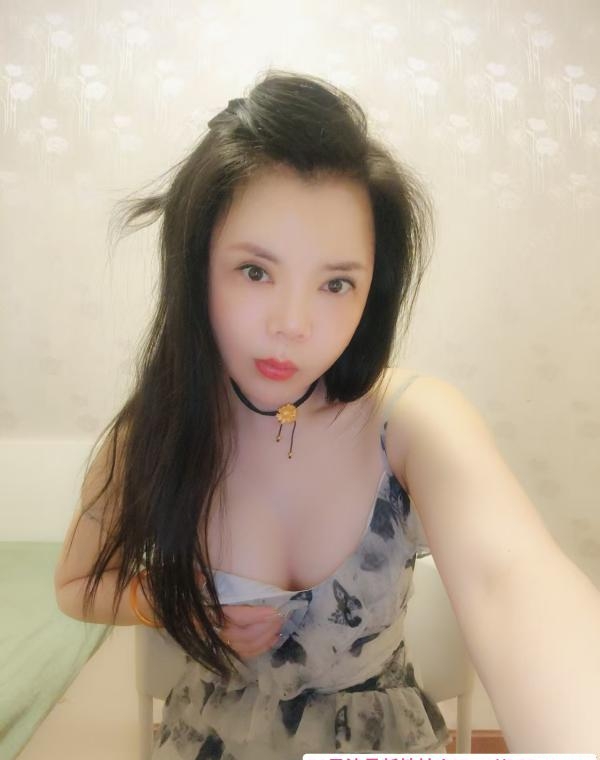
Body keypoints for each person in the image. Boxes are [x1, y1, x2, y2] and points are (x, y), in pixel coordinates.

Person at [54, 69, 600, 758]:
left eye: (336, 283)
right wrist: (173, 604)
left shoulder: (410, 421)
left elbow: (510, 582)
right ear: (197, 266)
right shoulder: (157, 430)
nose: (293, 324)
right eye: (256, 271)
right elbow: (76, 584)